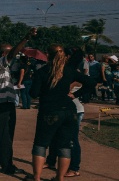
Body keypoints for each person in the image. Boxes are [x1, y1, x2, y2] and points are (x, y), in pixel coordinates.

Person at [29, 45, 89, 181]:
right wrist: (75, 94)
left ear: (47, 55)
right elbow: (89, 82)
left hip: (50, 111)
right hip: (69, 111)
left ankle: (37, 177)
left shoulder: (43, 71)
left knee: (41, 144)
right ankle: (59, 177)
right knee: (65, 145)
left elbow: (33, 93)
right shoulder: (69, 71)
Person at [0, 28, 36, 175]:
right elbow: (14, 52)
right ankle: (7, 165)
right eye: (11, 54)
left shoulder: (4, 67)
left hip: (3, 104)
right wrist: (25, 38)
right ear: (4, 54)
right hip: (4, 104)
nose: (15, 57)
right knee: (6, 136)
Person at [45, 78, 85, 178]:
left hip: (75, 111)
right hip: (62, 111)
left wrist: (73, 92)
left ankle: (74, 168)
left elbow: (88, 82)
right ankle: (51, 161)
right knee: (54, 137)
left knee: (72, 140)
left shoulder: (73, 77)